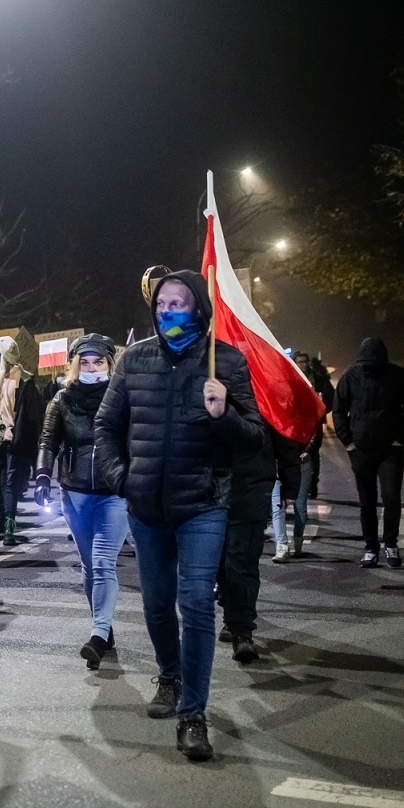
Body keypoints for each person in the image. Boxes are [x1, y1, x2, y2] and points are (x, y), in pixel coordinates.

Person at [95, 270, 263, 761]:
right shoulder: (135, 359)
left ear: (199, 309)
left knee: (194, 602)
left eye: (180, 302)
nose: (170, 309)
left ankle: (193, 714)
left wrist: (223, 414)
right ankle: (169, 675)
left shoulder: (225, 361)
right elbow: (107, 425)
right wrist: (122, 478)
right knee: (155, 604)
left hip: (203, 504)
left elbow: (253, 437)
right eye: (163, 302)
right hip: (146, 507)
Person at [34, 334, 126, 670]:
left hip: (114, 493)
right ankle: (104, 621)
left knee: (103, 562)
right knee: (89, 566)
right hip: (74, 493)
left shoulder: (122, 397)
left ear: (108, 364)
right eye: (84, 362)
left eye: (98, 361)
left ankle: (98, 634)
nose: (91, 367)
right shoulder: (61, 399)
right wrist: (43, 475)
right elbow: (48, 440)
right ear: (74, 365)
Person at [333, 337, 404, 567]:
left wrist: (400, 439)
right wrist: (348, 442)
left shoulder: (399, 376)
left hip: (389, 450)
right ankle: (371, 547)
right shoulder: (351, 377)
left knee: (391, 498)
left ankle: (390, 544)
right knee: (367, 501)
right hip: (361, 450)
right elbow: (338, 409)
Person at [219, 427, 302, 663]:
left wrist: (290, 484)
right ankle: (230, 610)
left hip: (253, 488)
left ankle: (242, 632)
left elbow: (284, 438)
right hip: (208, 487)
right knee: (218, 562)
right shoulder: (202, 390)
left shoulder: (263, 394)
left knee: (242, 561)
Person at [0, 336, 44, 547]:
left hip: (12, 440)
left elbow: (31, 415)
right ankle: (1, 514)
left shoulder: (24, 380)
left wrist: (23, 439)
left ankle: (9, 526)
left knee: (9, 483)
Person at [295, 350, 336, 498]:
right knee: (297, 452)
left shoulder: (318, 379)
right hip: (296, 421)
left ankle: (313, 483)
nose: (303, 365)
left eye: (305, 361)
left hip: (314, 421)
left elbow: (331, 397)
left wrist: (322, 410)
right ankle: (299, 483)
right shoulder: (292, 377)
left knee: (313, 453)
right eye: (300, 362)